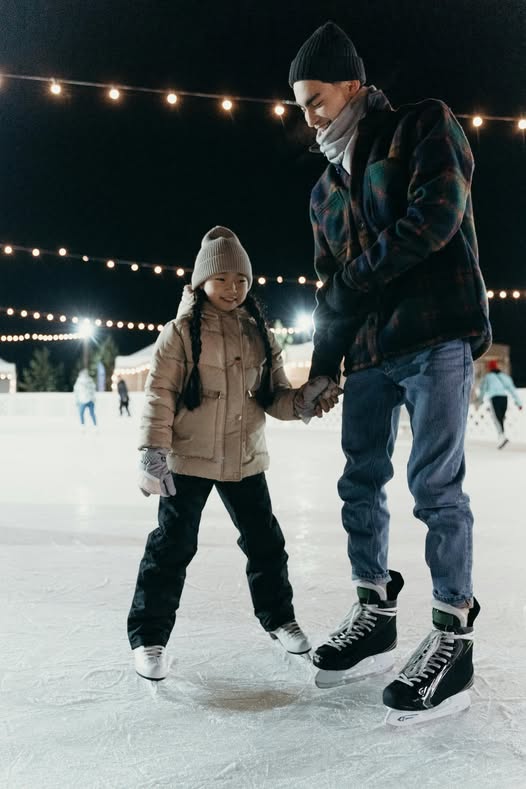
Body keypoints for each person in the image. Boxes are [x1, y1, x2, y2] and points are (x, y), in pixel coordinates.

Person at [288, 21, 492, 724]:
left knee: (435, 485)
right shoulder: (323, 194)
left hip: (435, 333)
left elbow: (436, 218)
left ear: (351, 83)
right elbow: (329, 293)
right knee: (359, 479)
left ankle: (451, 634)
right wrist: (320, 369)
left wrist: (353, 284)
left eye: (316, 99)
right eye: (300, 104)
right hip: (369, 355)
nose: (308, 115)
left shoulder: (422, 126)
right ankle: (375, 609)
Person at [127, 226, 340, 681]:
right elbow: (159, 394)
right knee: (172, 547)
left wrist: (302, 401)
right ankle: (149, 637)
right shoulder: (179, 332)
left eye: (241, 280)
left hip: (245, 459)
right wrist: (152, 451)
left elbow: (274, 397)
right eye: (222, 279)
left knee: (266, 544)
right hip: (188, 459)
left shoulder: (259, 333)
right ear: (202, 281)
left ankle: (280, 618)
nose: (233, 288)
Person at [477, 360, 523, 448]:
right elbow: (512, 389)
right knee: (501, 418)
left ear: (489, 368)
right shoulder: (504, 377)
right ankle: (502, 437)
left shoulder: (488, 377)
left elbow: (483, 389)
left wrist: (479, 401)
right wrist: (518, 403)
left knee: (497, 418)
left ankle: (502, 437)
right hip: (504, 398)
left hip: (495, 398)